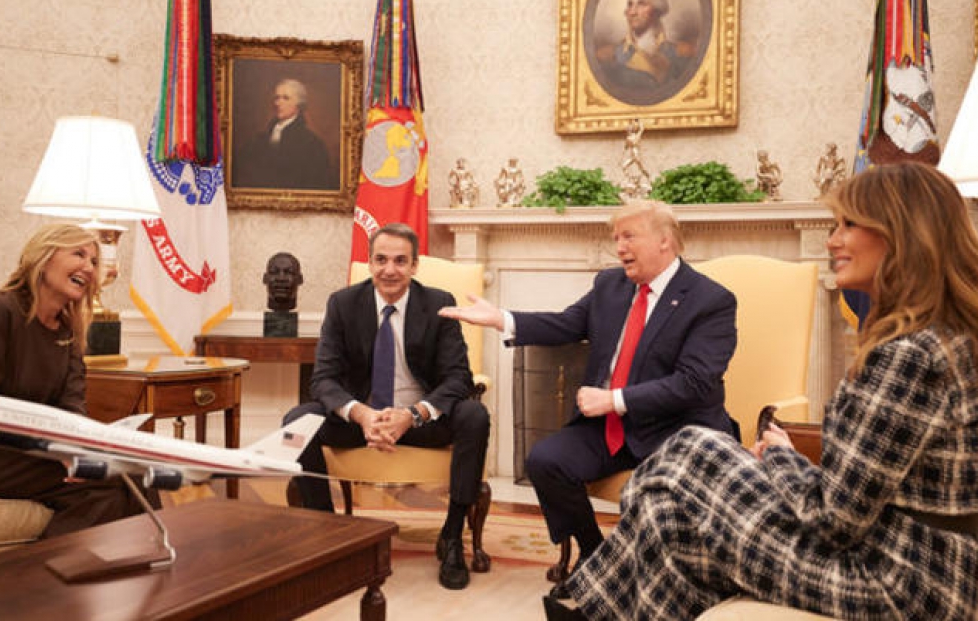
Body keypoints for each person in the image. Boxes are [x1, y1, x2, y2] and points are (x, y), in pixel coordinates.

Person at [552, 163, 978, 620]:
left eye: (849, 225)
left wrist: (780, 457)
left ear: (901, 235)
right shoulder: (952, 338)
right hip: (915, 563)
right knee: (667, 515)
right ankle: (594, 609)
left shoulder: (909, 356)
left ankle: (587, 604)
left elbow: (832, 521)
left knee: (690, 451)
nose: (833, 240)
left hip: (893, 582)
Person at [439, 199, 738, 599]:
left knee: (659, 498)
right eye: (616, 238)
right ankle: (596, 555)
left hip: (675, 431)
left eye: (628, 236)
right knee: (546, 460)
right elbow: (566, 324)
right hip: (610, 426)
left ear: (664, 241)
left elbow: (694, 383)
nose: (619, 247)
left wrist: (614, 399)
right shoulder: (610, 285)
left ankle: (664, 582)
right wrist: (502, 319)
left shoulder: (710, 300)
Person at [0, 223, 156, 538]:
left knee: (128, 475)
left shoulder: (69, 330)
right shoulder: (0, 311)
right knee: (114, 479)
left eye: (94, 261)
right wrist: (50, 449)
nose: (89, 267)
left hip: (26, 451)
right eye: (78, 254)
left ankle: (129, 563)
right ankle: (46, 569)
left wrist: (80, 448)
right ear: (45, 257)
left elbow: (72, 405)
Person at [283, 222, 490, 591]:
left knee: (474, 414)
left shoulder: (438, 304)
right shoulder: (343, 304)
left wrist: (411, 416)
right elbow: (323, 379)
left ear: (414, 266)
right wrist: (362, 414)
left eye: (400, 261)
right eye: (381, 260)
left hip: (420, 421)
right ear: (369, 263)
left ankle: (452, 535)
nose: (389, 270)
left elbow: (458, 377)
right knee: (297, 420)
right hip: (362, 421)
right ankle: (330, 536)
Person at [236, 78, 334, 191]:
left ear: (299, 104)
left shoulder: (312, 144)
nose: (278, 103)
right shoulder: (259, 140)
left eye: (286, 98)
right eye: (277, 98)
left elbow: (317, 184)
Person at [595, 0, 688, 95]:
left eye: (641, 4)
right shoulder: (608, 57)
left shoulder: (680, 54)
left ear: (657, 10)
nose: (632, 12)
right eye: (630, 4)